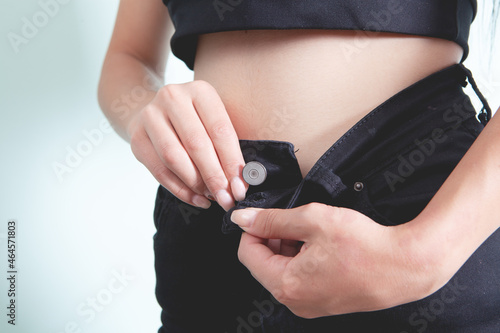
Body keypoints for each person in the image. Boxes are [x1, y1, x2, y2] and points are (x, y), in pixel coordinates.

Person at [98, 0, 500, 332]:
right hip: (215, 215)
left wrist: (422, 256)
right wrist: (144, 114)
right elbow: (127, 57)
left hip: (419, 216)